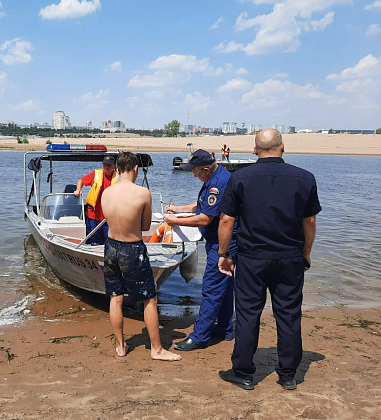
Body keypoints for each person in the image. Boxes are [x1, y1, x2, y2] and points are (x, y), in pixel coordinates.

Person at [217, 128, 321, 391]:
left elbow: (227, 219)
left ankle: (242, 372)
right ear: (282, 147)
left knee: (248, 314)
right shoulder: (304, 178)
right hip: (290, 257)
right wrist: (306, 251)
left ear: (255, 150)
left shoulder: (240, 178)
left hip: (253, 258)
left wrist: (223, 253)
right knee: (288, 315)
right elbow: (309, 221)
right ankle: (287, 374)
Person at [101, 152, 181, 362]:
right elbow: (145, 227)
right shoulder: (143, 193)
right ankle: (156, 349)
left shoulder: (106, 193)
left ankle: (120, 346)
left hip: (110, 246)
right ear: (135, 168)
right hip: (132, 248)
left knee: (115, 298)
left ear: (117, 169)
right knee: (149, 299)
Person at [163, 149, 238, 351]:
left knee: (211, 289)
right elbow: (203, 205)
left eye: (195, 172)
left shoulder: (217, 184)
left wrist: (176, 221)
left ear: (205, 169)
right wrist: (180, 209)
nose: (193, 175)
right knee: (225, 287)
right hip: (223, 241)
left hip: (222, 244)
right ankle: (225, 329)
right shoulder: (217, 176)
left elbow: (206, 218)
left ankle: (199, 337)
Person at [74, 154, 117, 245]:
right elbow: (81, 180)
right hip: (93, 216)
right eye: (105, 165)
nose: (106, 167)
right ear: (102, 165)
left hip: (110, 218)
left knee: (109, 242)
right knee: (92, 242)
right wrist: (78, 189)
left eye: (109, 165)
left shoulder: (118, 177)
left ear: (114, 166)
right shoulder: (96, 174)